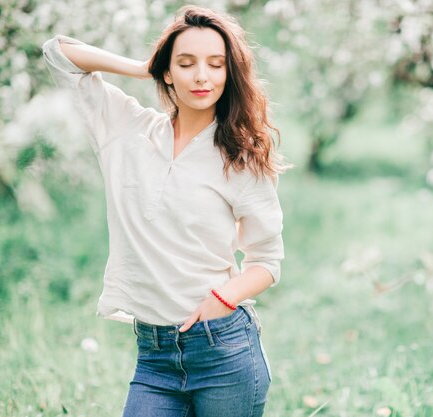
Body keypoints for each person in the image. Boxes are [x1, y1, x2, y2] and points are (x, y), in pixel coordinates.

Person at [41, 5, 287, 417]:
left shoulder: (240, 159)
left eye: (215, 64)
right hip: (154, 358)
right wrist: (145, 68)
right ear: (167, 71)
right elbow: (59, 53)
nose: (202, 76)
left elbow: (267, 261)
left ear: (229, 75)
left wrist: (222, 299)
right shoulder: (125, 129)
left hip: (223, 350)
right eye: (186, 63)